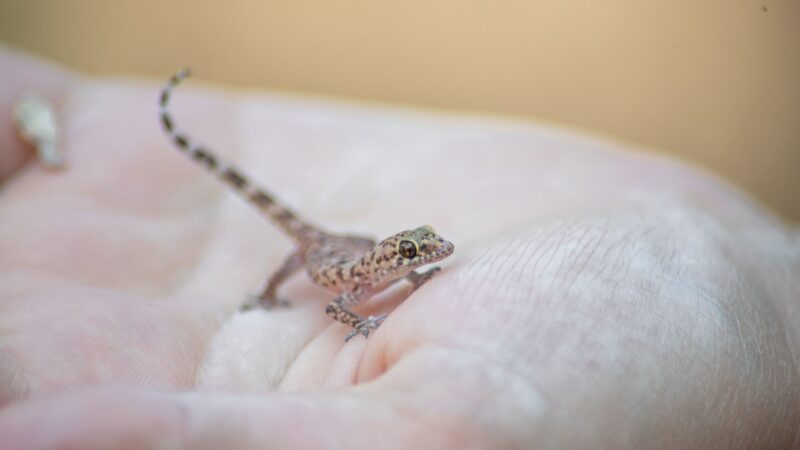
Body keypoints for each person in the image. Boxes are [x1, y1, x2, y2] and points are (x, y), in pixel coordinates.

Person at [0, 46, 797, 449]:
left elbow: (407, 263)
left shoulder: (397, 262)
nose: (430, 255)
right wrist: (326, 312)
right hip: (318, 254)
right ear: (394, 257)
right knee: (298, 255)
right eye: (420, 251)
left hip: (345, 243)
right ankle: (188, 139)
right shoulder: (351, 276)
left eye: (424, 250)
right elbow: (345, 299)